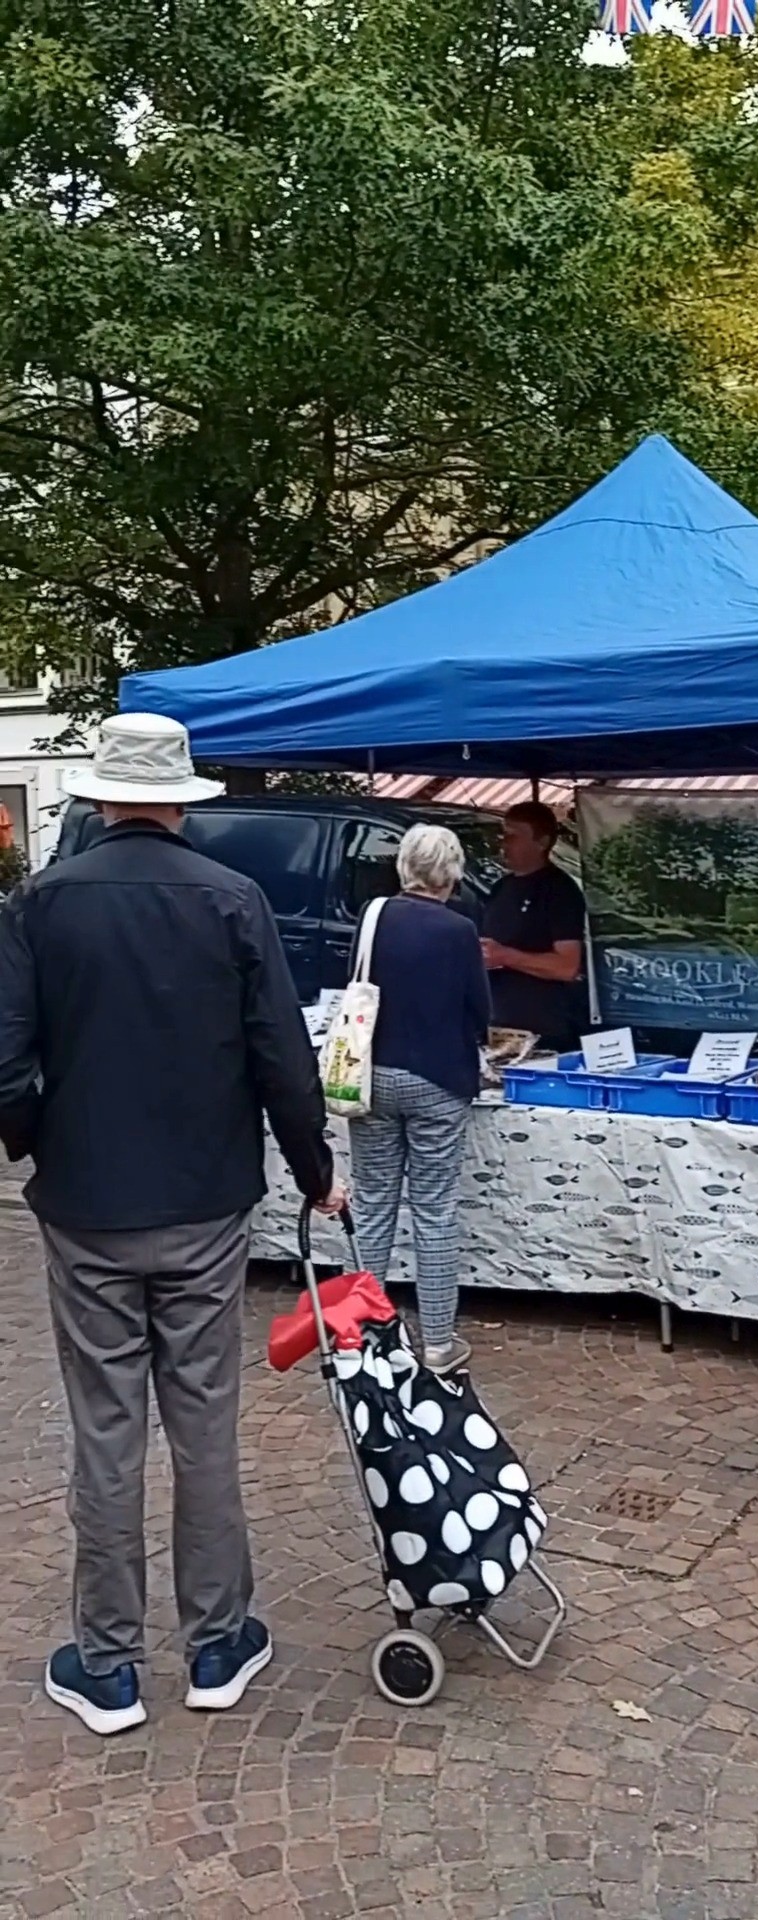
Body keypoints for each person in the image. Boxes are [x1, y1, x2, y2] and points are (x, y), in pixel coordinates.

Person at [0, 712, 345, 1737]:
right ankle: (216, 1641)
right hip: (205, 1204)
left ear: (102, 797)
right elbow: (285, 1059)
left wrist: (37, 1144)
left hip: (88, 1206)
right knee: (203, 1426)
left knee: (106, 1431)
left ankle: (106, 1663)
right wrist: (315, 1169)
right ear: (179, 799)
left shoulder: (40, 906)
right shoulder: (233, 900)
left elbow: (6, 1064)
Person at [349, 823, 491, 1375]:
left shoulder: (373, 916)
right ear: (451, 873)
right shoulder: (458, 931)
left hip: (373, 1075)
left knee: (372, 1204)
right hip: (437, 1080)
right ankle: (436, 1342)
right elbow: (478, 1010)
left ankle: (358, 1335)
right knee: (434, 1212)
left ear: (403, 865)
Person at [481, 802, 586, 1051]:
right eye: (503, 836)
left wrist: (506, 956)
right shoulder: (500, 888)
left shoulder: (559, 891)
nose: (504, 844)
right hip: (498, 1027)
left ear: (542, 842)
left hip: (542, 1032)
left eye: (513, 837)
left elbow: (567, 966)